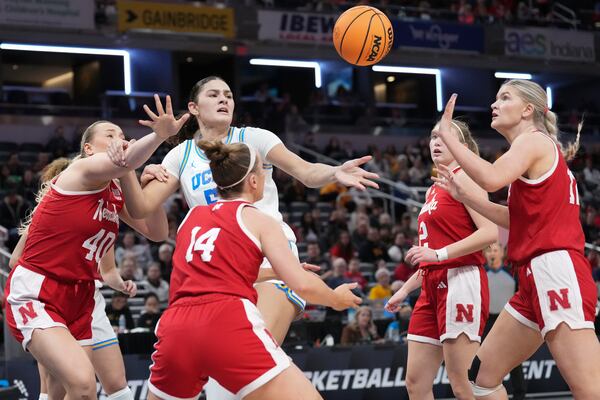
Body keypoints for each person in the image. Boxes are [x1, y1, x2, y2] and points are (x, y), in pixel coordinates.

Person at [108, 75, 378, 400]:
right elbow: (143, 208)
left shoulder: (254, 137)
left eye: (229, 95)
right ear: (193, 107)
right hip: (219, 268)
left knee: (231, 387)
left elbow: (305, 172)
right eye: (214, 94)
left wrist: (334, 172)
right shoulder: (180, 155)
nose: (224, 99)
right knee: (229, 386)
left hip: (268, 254)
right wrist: (131, 169)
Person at [4, 95, 187, 399]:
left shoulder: (116, 188)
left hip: (81, 294)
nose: (120, 138)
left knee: (61, 392)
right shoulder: (80, 172)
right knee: (85, 384)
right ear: (88, 149)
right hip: (41, 290)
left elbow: (155, 232)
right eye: (110, 135)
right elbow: (126, 159)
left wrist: (147, 184)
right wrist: (159, 135)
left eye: (122, 134)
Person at [147, 140, 362, 400]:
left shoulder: (190, 219)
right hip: (225, 321)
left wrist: (274, 272)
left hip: (175, 328)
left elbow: (219, 272)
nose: (264, 175)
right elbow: (303, 285)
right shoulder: (260, 219)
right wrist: (336, 298)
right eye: (262, 170)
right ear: (252, 181)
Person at [433, 81, 600, 399]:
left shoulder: (533, 141)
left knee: (589, 389)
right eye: (495, 98)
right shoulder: (532, 151)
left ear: (528, 110)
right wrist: (468, 196)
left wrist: (448, 137)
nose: (494, 104)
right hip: (533, 277)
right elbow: (517, 220)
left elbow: (492, 177)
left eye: (504, 98)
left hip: (555, 270)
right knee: (481, 375)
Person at [385, 118, 497, 400]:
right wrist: (404, 289)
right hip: (431, 285)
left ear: (461, 145)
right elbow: (430, 253)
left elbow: (490, 233)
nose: (436, 142)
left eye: (444, 137)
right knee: (416, 382)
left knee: (463, 383)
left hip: (461, 279)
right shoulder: (433, 188)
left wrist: (439, 254)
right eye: (433, 136)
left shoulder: (467, 177)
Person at [484, 242, 526, 400]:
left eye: (495, 250)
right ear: (484, 254)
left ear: (502, 253)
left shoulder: (512, 274)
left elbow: (520, 296)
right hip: (486, 321)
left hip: (508, 320)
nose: (492, 253)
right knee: (482, 360)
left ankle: (520, 395)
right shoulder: (480, 274)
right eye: (488, 251)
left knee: (514, 361)